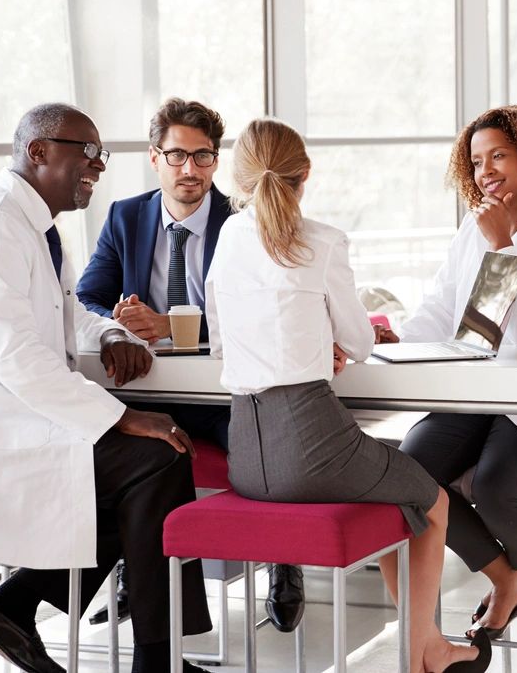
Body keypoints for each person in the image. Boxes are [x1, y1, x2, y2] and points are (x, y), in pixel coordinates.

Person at [0, 103, 212, 673]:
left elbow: (68, 306)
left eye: (101, 157)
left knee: (154, 465)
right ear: (37, 151)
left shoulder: (34, 223)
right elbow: (16, 355)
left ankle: (24, 608)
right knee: (156, 458)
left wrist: (107, 331)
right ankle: (142, 655)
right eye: (87, 154)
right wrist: (119, 415)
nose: (98, 168)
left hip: (12, 418)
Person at [204, 118, 490, 673]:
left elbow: (223, 340)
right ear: (304, 174)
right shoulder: (324, 240)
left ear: (237, 180)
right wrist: (327, 343)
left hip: (248, 455)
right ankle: (422, 652)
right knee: (431, 499)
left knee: (391, 493)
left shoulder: (228, 238)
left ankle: (424, 643)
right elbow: (359, 342)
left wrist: (308, 342)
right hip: (312, 447)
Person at [75, 98, 301, 630]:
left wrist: (177, 327)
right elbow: (85, 296)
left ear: (217, 162)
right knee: (110, 444)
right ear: (155, 157)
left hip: (226, 393)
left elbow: (265, 315)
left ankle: (283, 560)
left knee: (262, 448)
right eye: (177, 156)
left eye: (203, 157)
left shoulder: (245, 222)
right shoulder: (126, 216)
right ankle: (138, 567)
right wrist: (119, 322)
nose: (190, 170)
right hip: (151, 391)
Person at [382, 105, 517, 640]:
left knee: (500, 483)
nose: (485, 171)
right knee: (410, 476)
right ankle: (510, 578)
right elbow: (440, 307)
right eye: (476, 162)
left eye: (499, 155)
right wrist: (395, 340)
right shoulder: (471, 229)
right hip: (470, 385)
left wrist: (503, 246)